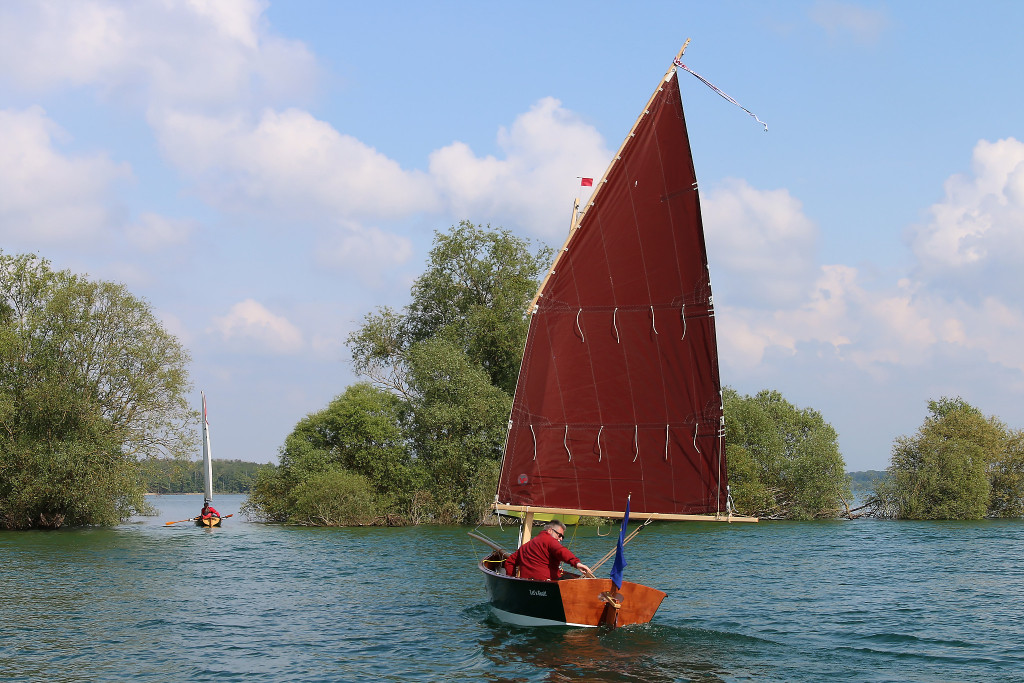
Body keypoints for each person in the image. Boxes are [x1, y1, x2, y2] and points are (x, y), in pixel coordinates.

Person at [503, 520, 592, 581]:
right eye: (559, 535)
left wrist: (513, 580)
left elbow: (509, 562)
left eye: (562, 537)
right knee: (569, 579)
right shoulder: (549, 540)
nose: (561, 539)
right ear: (550, 531)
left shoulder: (525, 546)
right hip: (547, 586)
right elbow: (561, 551)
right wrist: (577, 563)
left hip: (527, 586)